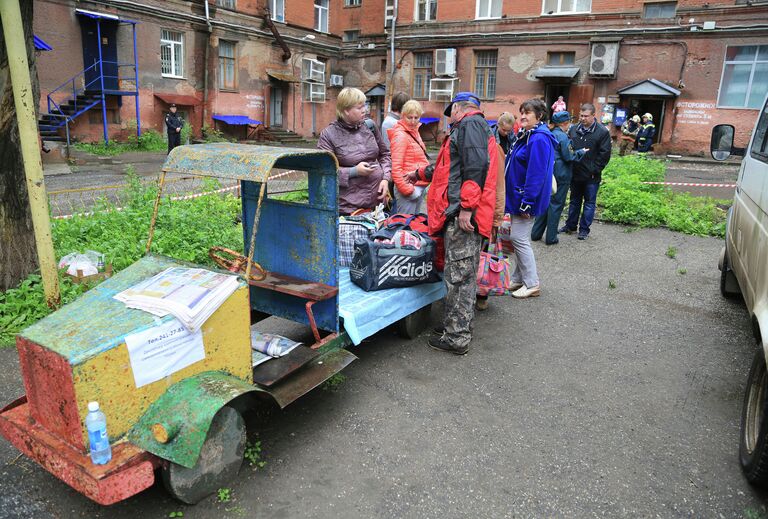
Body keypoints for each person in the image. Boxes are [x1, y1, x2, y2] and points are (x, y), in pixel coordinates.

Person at [407, 92, 498, 355]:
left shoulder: (469, 125)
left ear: (458, 108)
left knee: (459, 277)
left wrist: (467, 208)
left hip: (463, 215)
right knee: (462, 275)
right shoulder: (472, 127)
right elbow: (448, 168)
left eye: (451, 114)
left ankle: (456, 337)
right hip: (461, 212)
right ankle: (456, 326)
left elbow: (476, 167)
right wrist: (418, 174)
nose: (449, 120)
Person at [505, 98, 556, 299]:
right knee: (518, 238)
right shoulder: (529, 135)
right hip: (519, 196)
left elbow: (537, 173)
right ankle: (518, 278)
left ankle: (532, 283)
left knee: (519, 239)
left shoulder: (539, 138)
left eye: (527, 113)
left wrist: (528, 202)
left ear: (539, 116)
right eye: (521, 112)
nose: (523, 116)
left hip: (525, 199)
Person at [317, 87, 392, 215]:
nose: (365, 110)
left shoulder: (370, 126)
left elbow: (385, 154)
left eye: (365, 105)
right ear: (346, 110)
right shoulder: (328, 135)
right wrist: (354, 171)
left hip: (378, 205)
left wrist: (385, 179)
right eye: (359, 107)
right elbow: (323, 172)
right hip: (349, 209)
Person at [531, 110, 585, 245]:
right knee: (556, 205)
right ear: (564, 123)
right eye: (569, 122)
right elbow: (569, 156)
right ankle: (551, 237)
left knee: (545, 203)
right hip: (561, 175)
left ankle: (536, 233)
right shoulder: (563, 137)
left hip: (549, 173)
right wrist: (581, 152)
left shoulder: (549, 134)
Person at [560, 103, 612, 240]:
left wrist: (595, 170)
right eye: (581, 116)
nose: (582, 118)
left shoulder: (602, 132)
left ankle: (584, 230)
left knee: (589, 203)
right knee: (574, 201)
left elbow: (605, 154)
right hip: (575, 173)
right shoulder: (574, 129)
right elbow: (569, 148)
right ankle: (570, 226)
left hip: (591, 175)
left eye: (586, 116)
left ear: (593, 116)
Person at [388, 100, 430, 214]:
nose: (413, 121)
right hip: (409, 188)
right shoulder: (401, 135)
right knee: (404, 227)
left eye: (416, 118)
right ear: (402, 116)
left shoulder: (414, 132)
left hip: (418, 185)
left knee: (414, 225)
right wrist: (407, 190)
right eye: (409, 117)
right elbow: (396, 167)